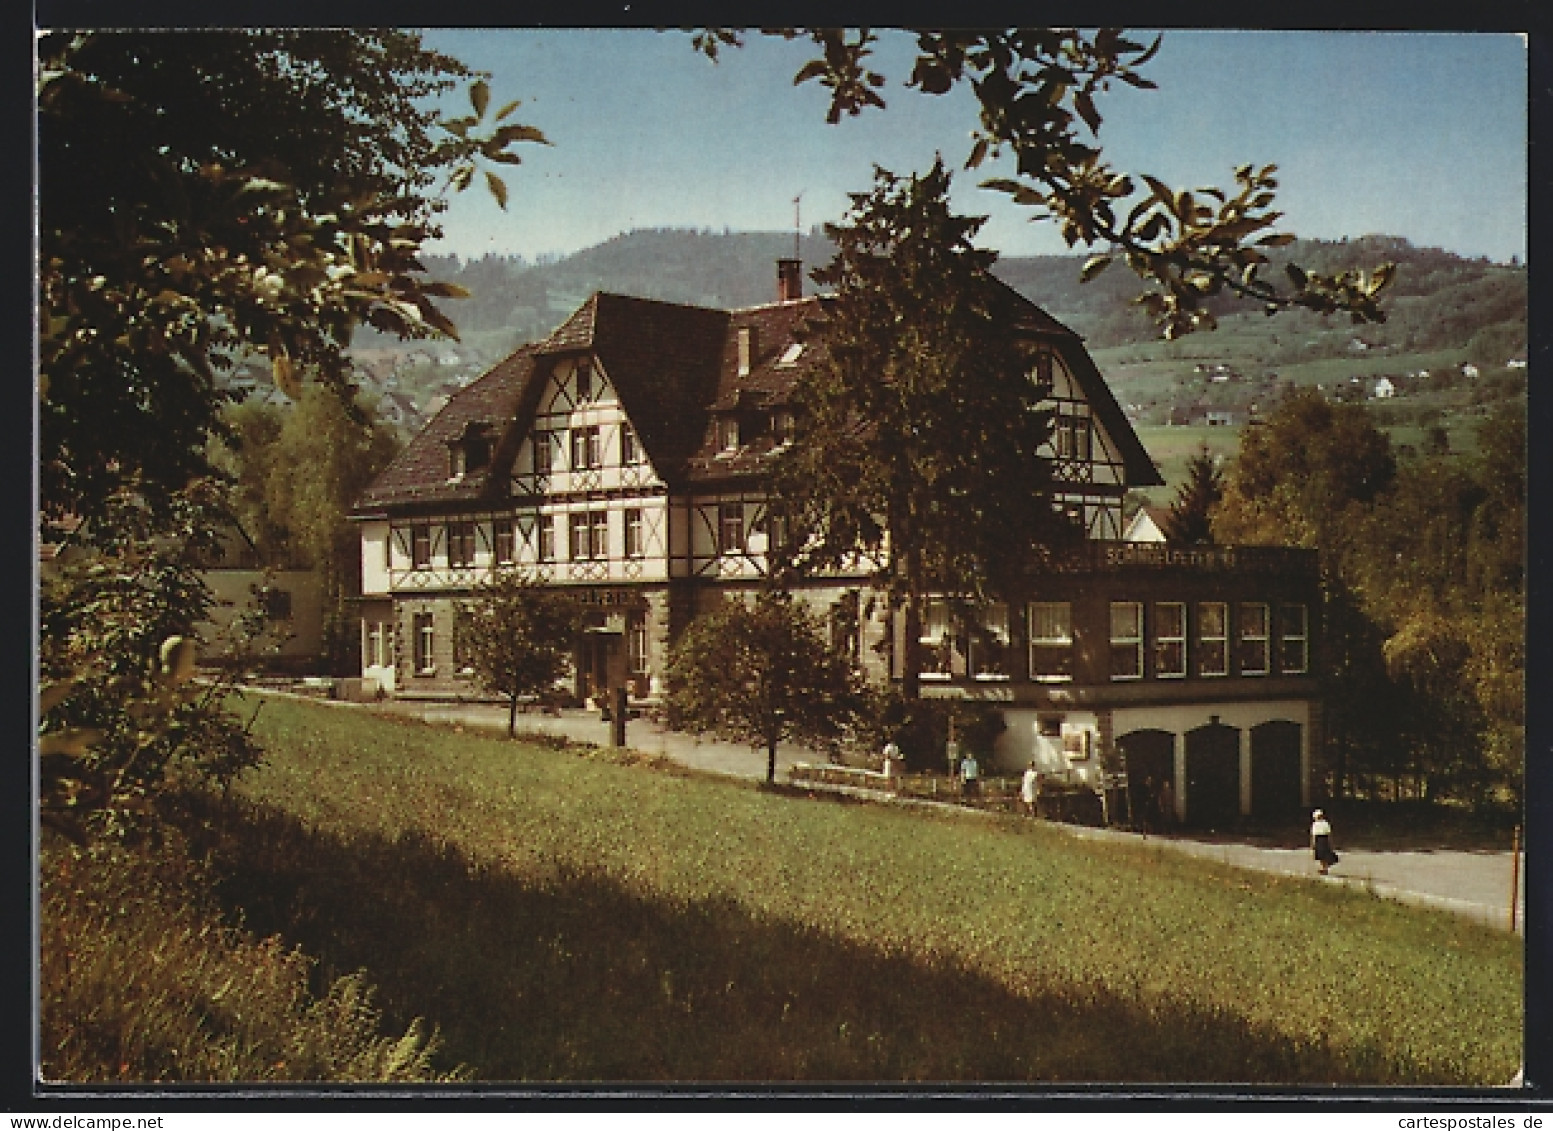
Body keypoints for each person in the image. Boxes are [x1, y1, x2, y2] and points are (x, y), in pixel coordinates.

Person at [1310, 808, 1340, 875]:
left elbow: (1314, 835)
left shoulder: (1315, 824)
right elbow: (1329, 834)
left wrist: (1313, 844)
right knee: (1323, 855)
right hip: (1324, 839)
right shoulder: (1325, 823)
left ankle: (1324, 868)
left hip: (1319, 839)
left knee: (1321, 855)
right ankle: (1324, 868)